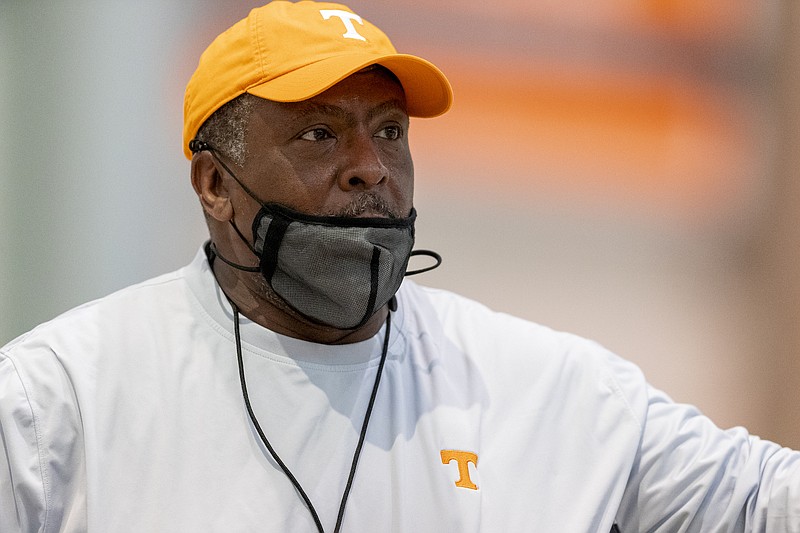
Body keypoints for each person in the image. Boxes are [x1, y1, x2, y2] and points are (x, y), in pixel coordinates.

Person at [1, 1, 799, 531]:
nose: (370, 168)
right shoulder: (59, 400)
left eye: (389, 132)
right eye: (320, 135)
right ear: (214, 183)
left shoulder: (541, 389)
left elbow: (764, 499)